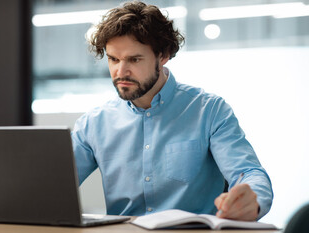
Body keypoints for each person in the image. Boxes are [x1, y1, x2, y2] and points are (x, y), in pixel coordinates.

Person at [71, 0, 273, 221]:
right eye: (113, 59)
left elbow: (249, 172)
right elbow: (53, 184)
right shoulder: (93, 123)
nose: (121, 71)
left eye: (134, 59)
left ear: (163, 55)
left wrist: (250, 199)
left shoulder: (209, 111)